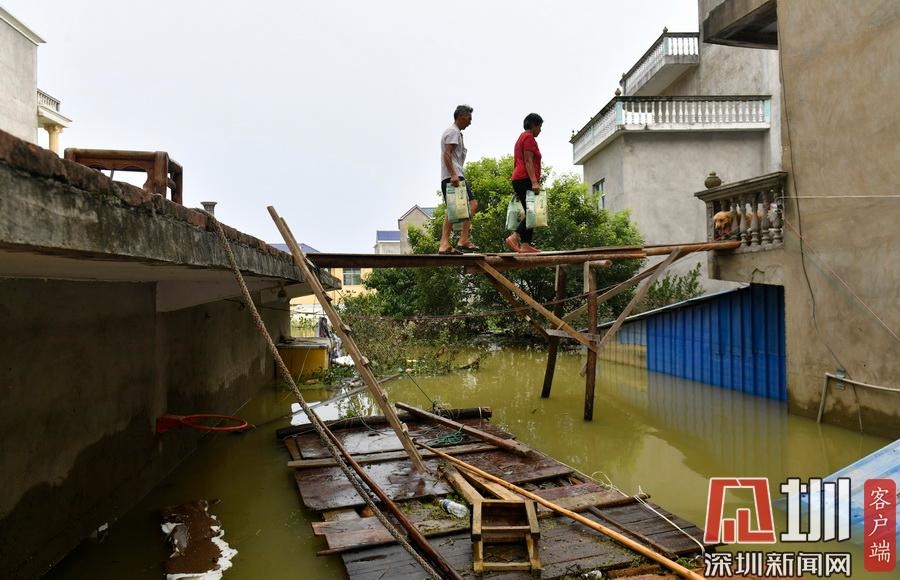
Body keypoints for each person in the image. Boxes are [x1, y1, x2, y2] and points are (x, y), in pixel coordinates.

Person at [439, 105, 479, 255]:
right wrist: (453, 175)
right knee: (472, 204)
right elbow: (447, 153)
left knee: (452, 209)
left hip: (453, 174)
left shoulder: (456, 133)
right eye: (469, 118)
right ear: (461, 116)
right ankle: (461, 240)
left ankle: (447, 243)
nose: (470, 122)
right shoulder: (453, 132)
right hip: (453, 176)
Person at [506, 113, 544, 253]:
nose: (540, 130)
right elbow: (528, 161)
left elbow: (517, 161)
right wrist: (534, 182)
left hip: (519, 179)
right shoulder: (528, 137)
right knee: (532, 212)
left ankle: (526, 244)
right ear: (533, 125)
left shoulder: (521, 138)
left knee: (531, 211)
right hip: (525, 178)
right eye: (539, 126)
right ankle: (515, 236)